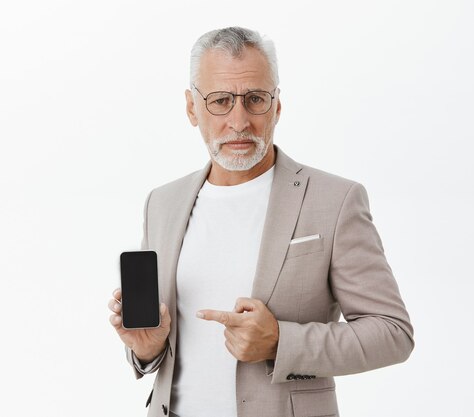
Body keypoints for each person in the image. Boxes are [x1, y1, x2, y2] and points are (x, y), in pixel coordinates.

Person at [108, 26, 414, 417]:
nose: (239, 121)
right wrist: (147, 349)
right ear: (191, 108)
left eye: (255, 99)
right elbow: (168, 353)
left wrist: (281, 341)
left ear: (277, 106)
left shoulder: (335, 200)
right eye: (220, 101)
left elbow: (393, 333)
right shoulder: (162, 203)